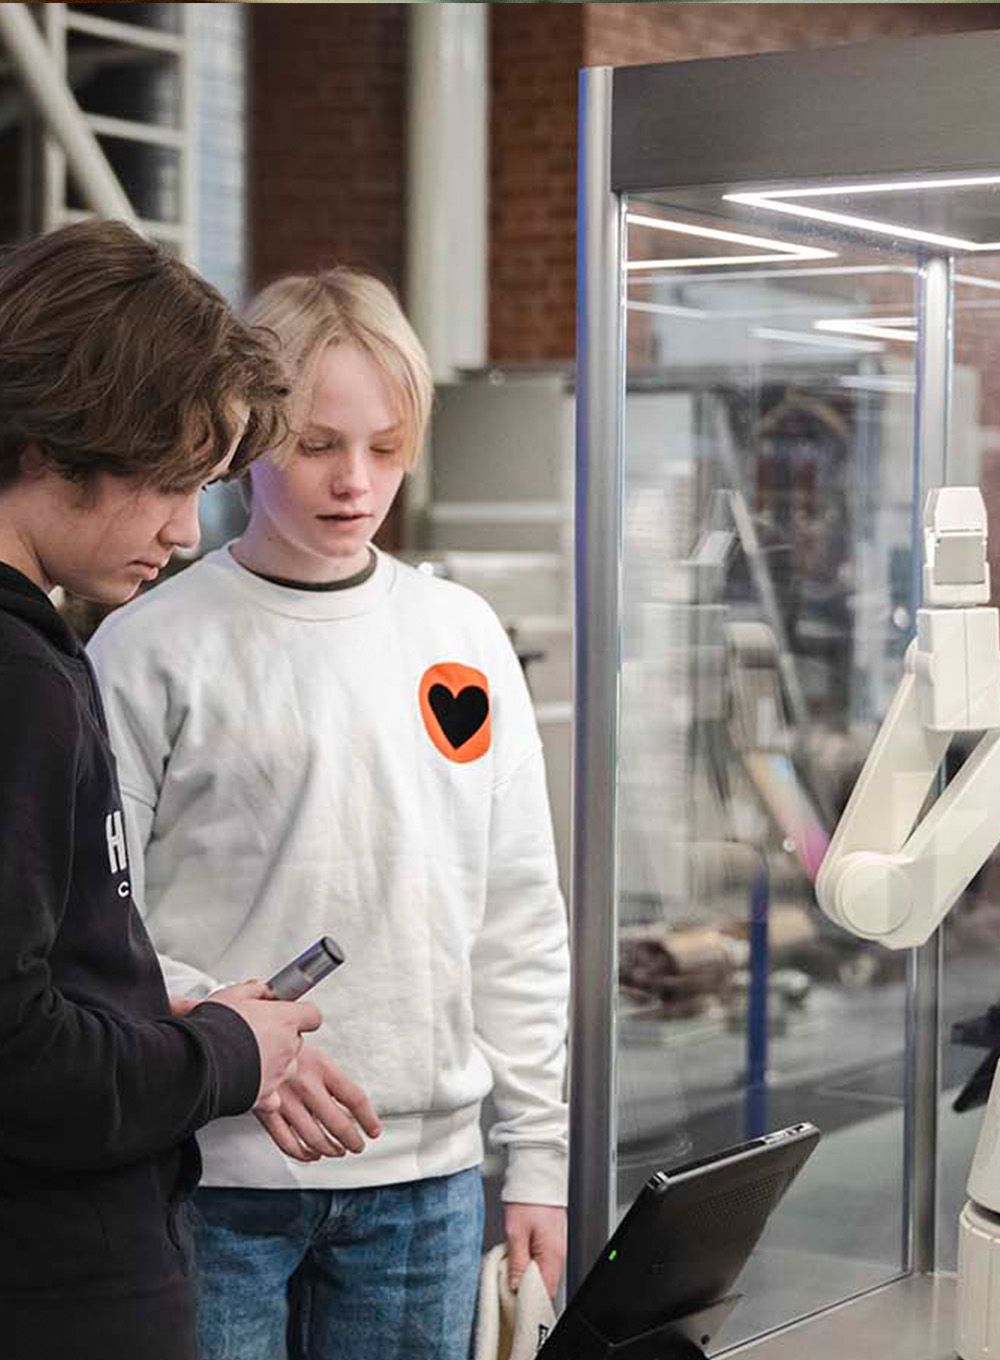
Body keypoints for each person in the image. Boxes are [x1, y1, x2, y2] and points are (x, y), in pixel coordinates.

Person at [90, 268, 571, 1360]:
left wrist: (538, 1157)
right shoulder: (149, 644)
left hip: (427, 1183)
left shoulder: (463, 634)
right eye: (315, 444)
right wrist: (224, 1027)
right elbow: (90, 922)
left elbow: (518, 914)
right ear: (248, 432)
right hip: (212, 1174)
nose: (356, 481)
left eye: (387, 445)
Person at [0, 219, 325, 1360]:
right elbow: (18, 1059)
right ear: (56, 439)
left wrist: (149, 1013)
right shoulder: (21, 681)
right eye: (169, 482)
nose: (186, 533)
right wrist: (226, 1053)